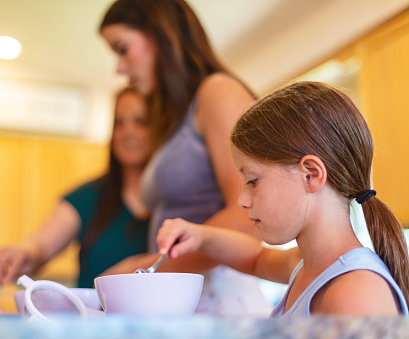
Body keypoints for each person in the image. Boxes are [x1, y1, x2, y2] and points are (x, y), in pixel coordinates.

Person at [157, 81, 409, 317]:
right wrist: (201, 236)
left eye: (253, 181)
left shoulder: (354, 293)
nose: (242, 200)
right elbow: (255, 258)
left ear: (310, 175)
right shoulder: (305, 264)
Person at [98, 0, 272, 316]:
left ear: (160, 35)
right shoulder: (177, 118)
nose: (119, 68)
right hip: (187, 303)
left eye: (122, 49)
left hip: (220, 305)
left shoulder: (219, 91)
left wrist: (141, 267)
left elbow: (248, 213)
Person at [0, 87, 151, 288]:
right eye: (119, 123)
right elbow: (40, 246)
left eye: (141, 122)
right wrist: (23, 252)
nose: (127, 132)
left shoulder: (177, 202)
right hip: (92, 317)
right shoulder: (89, 197)